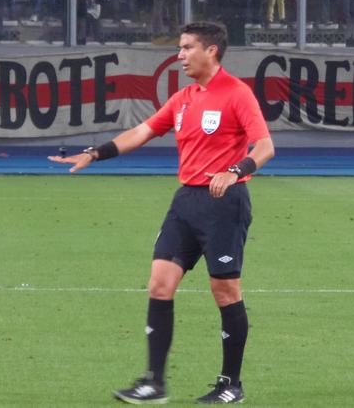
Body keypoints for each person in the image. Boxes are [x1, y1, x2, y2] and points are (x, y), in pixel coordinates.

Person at [48, 21, 275, 405]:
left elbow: (265, 147)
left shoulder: (237, 93)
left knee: (224, 290)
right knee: (159, 284)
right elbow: (142, 131)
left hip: (225, 203)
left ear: (211, 51)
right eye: (180, 48)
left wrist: (235, 171)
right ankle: (154, 382)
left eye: (187, 48)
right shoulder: (183, 98)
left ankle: (230, 384)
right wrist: (95, 153)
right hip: (186, 202)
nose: (180, 55)